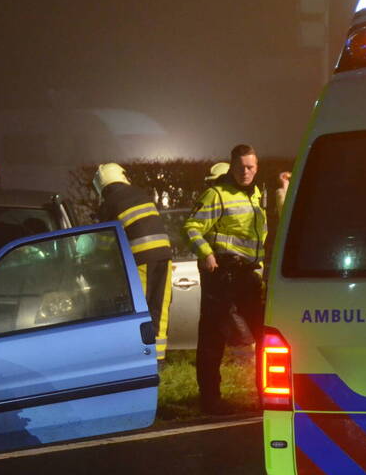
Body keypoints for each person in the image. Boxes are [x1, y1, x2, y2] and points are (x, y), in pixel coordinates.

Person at [183, 145, 268, 415]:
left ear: (257, 167)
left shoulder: (255, 195)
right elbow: (191, 227)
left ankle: (267, 397)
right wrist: (206, 254)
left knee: (265, 336)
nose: (246, 172)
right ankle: (210, 400)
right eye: (241, 166)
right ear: (232, 166)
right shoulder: (216, 194)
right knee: (212, 339)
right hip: (222, 273)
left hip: (248, 274)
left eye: (251, 167)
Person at [93, 163, 173, 361]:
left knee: (141, 310)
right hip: (164, 255)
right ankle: (159, 358)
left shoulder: (109, 203)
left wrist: (96, 259)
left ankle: (142, 357)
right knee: (159, 308)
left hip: (140, 259)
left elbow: (105, 242)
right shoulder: (139, 193)